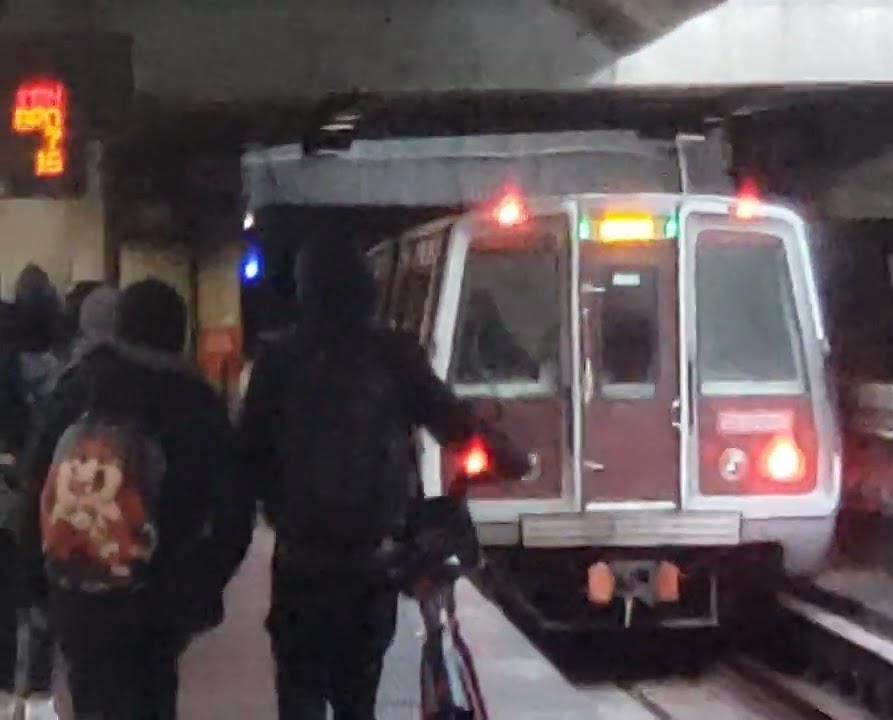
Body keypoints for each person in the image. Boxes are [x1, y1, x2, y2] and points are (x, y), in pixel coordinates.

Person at [238, 239, 530, 720]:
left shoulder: (278, 360)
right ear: (367, 290)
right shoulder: (395, 355)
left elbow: (248, 457)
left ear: (303, 291)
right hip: (371, 562)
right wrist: (511, 457)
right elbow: (453, 423)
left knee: (299, 689)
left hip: (300, 563)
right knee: (359, 693)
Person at [14, 278, 255, 720]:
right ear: (179, 335)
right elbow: (234, 513)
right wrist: (195, 595)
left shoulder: (75, 387)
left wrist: (38, 585)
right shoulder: (196, 401)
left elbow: (35, 486)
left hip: (76, 590)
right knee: (150, 701)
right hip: (155, 599)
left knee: (91, 702)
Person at [0, 264, 66, 720]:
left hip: (6, 488)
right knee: (40, 594)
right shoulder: (65, 366)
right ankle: (37, 695)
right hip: (48, 490)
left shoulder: (5, 355)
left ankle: (9, 691)